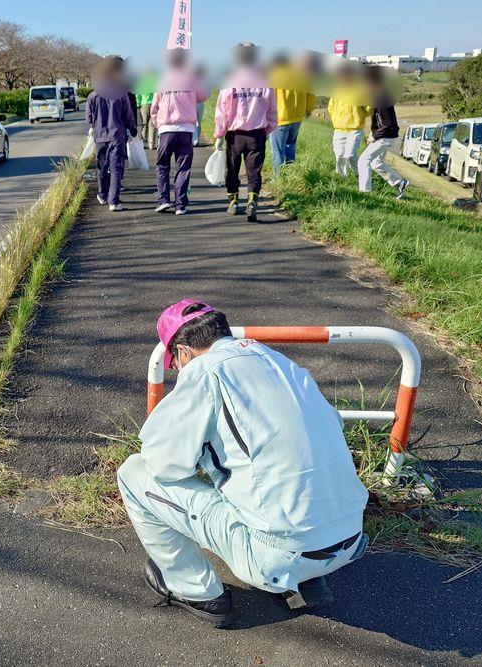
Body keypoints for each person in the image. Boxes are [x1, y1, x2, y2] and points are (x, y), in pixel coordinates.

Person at [118, 300, 369, 628]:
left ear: (183, 352)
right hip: (350, 538)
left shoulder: (203, 371)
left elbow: (162, 464)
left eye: (174, 364)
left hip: (279, 556)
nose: (177, 370)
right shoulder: (279, 362)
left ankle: (196, 591)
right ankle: (306, 580)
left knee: (134, 473)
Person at [213, 43, 277, 222]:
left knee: (232, 170)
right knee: (254, 171)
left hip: (235, 135)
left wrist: (219, 134)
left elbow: (222, 110)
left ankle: (233, 202)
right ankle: (252, 201)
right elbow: (272, 108)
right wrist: (269, 128)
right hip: (257, 133)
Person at [150, 49, 208, 216]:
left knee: (162, 165)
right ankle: (181, 205)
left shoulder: (162, 80)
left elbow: (154, 107)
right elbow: (204, 95)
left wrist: (157, 124)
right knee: (183, 168)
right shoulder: (191, 78)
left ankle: (163, 200)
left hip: (166, 129)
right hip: (186, 129)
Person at [86, 56, 137, 212]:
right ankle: (113, 201)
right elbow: (128, 116)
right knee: (116, 169)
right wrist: (133, 130)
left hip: (99, 137)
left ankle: (102, 194)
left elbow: (89, 118)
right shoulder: (121, 94)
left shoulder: (92, 96)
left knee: (101, 167)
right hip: (116, 136)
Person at [358, 66, 409, 198]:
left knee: (363, 161)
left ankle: (365, 194)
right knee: (376, 163)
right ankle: (400, 182)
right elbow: (380, 121)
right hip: (387, 135)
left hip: (385, 137)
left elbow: (386, 124)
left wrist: (374, 136)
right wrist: (372, 133)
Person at [269, 54, 316, 171]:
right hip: (297, 118)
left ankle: (280, 180)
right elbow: (311, 94)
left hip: (280, 119)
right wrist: (309, 109)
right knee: (290, 148)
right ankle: (291, 175)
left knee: (278, 151)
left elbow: (268, 97)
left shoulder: (274, 77)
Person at [327, 66, 369, 177]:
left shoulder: (360, 91)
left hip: (355, 129)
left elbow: (368, 109)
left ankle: (361, 175)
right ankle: (342, 178)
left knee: (349, 155)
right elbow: (331, 108)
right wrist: (336, 119)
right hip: (339, 129)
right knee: (339, 155)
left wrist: (359, 117)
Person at [135, 69, 159, 150]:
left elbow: (138, 95)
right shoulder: (155, 81)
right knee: (152, 124)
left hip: (143, 105)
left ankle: (144, 143)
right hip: (153, 104)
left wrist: (137, 105)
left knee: (144, 124)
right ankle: (151, 144)